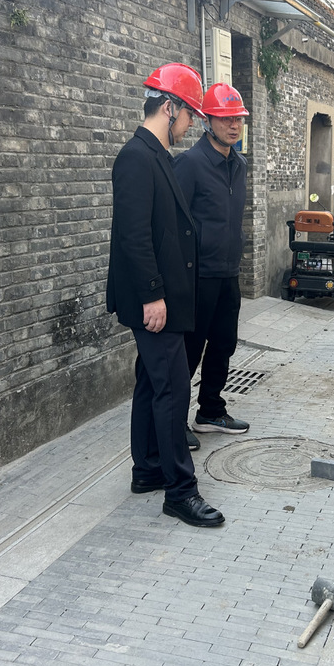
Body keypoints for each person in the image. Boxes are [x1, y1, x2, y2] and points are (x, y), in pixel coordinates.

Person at [106, 62, 225, 528]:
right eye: (190, 113)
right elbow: (134, 236)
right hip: (154, 301)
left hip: (164, 297)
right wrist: (153, 296)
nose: (192, 123)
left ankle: (148, 469)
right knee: (173, 388)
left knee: (151, 382)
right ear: (169, 107)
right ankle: (180, 491)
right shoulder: (136, 158)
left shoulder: (156, 155)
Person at [173, 83, 251, 451]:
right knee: (189, 350)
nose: (234, 126)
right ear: (207, 120)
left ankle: (210, 411)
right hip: (197, 276)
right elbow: (173, 223)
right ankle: (174, 421)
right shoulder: (189, 164)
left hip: (228, 274)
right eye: (225, 118)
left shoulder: (240, 165)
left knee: (223, 344)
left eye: (238, 119)